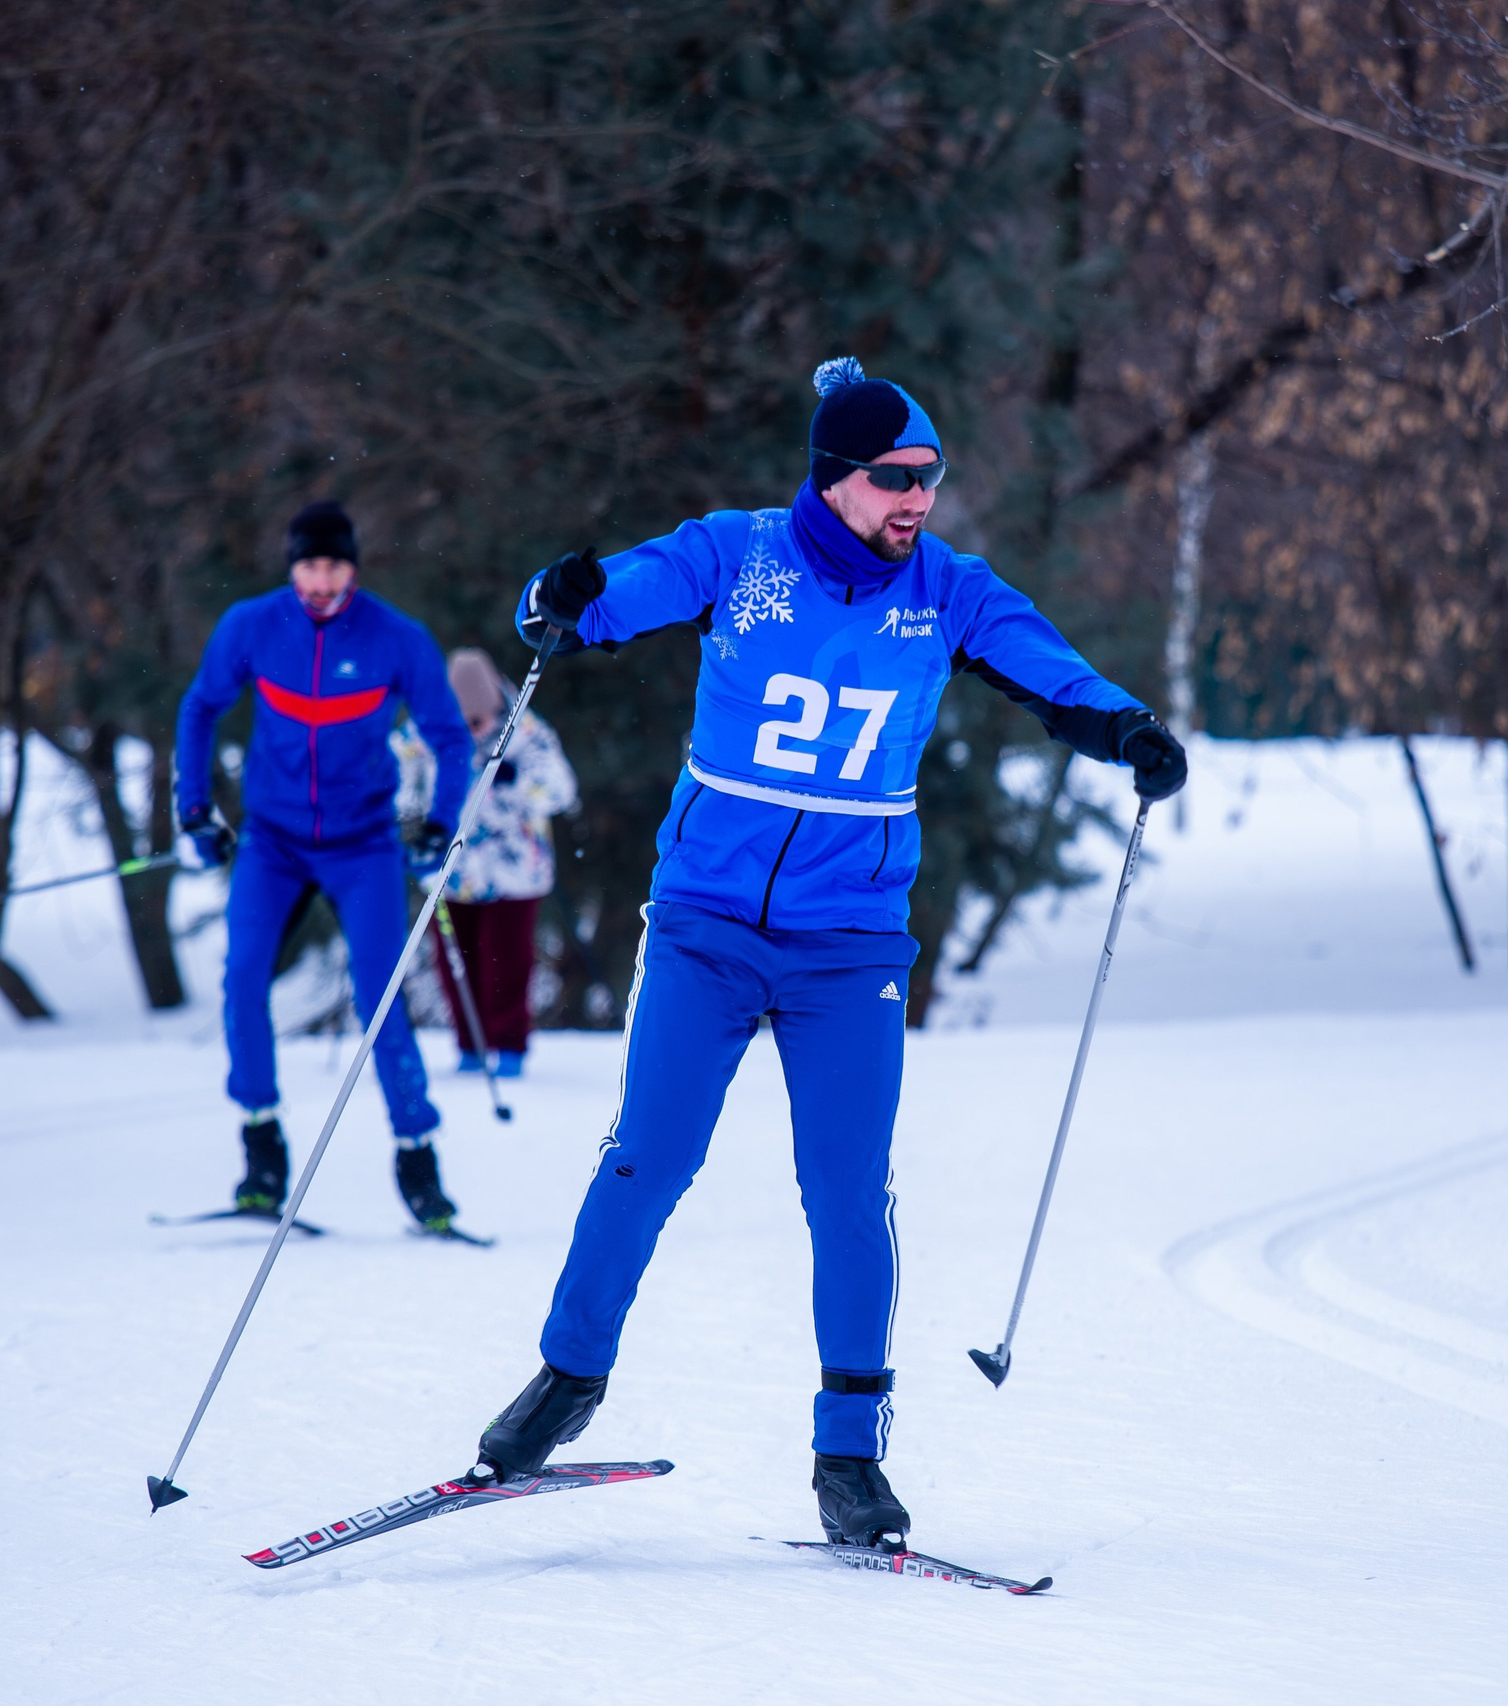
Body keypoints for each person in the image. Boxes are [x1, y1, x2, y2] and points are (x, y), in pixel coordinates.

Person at [464, 358, 1187, 1548]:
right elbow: (621, 588)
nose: (919, 500)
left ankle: (848, 1452)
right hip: (705, 926)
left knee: (847, 1190)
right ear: (835, 479)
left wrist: (1124, 726)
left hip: (849, 941)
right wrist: (567, 594)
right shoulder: (739, 556)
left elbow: (1046, 666)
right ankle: (568, 1375)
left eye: (931, 479)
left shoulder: (946, 592)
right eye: (897, 479)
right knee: (645, 1158)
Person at [174, 500, 476, 1233]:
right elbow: (199, 708)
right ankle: (261, 1146)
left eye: (334, 564)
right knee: (243, 975)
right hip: (271, 841)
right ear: (292, 567)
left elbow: (452, 739)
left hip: (362, 843)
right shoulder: (252, 625)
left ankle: (417, 1158)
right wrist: (193, 807)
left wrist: (440, 824)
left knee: (380, 1000)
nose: (321, 579)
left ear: (353, 567)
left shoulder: (394, 637)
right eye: (308, 564)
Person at [427, 647, 579, 1078]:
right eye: (465, 720)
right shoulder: (429, 732)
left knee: (506, 960)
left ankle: (509, 1044)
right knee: (456, 960)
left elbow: (561, 791)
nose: (474, 729)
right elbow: (401, 784)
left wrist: (518, 780)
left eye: (479, 719)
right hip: (454, 873)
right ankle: (469, 1043)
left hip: (515, 872)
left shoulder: (525, 730)